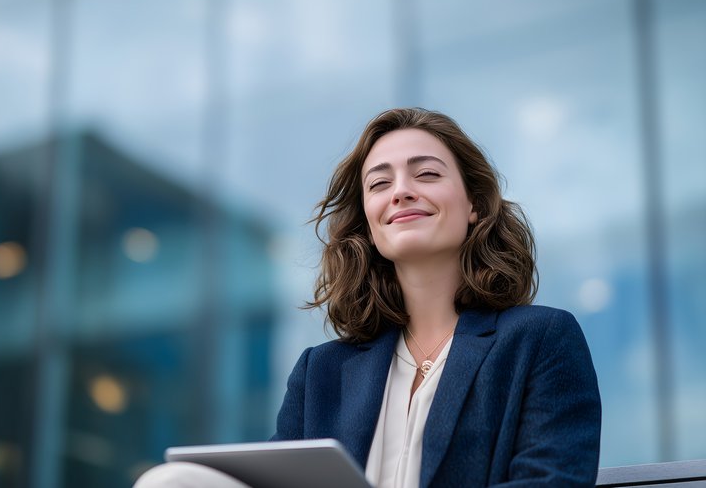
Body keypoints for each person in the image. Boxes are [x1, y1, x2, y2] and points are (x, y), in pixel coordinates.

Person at [135, 108, 601, 488]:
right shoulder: (320, 373)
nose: (400, 191)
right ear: (370, 225)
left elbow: (550, 480)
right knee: (172, 481)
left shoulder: (540, 339)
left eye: (427, 174)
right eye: (379, 184)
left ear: (474, 205)